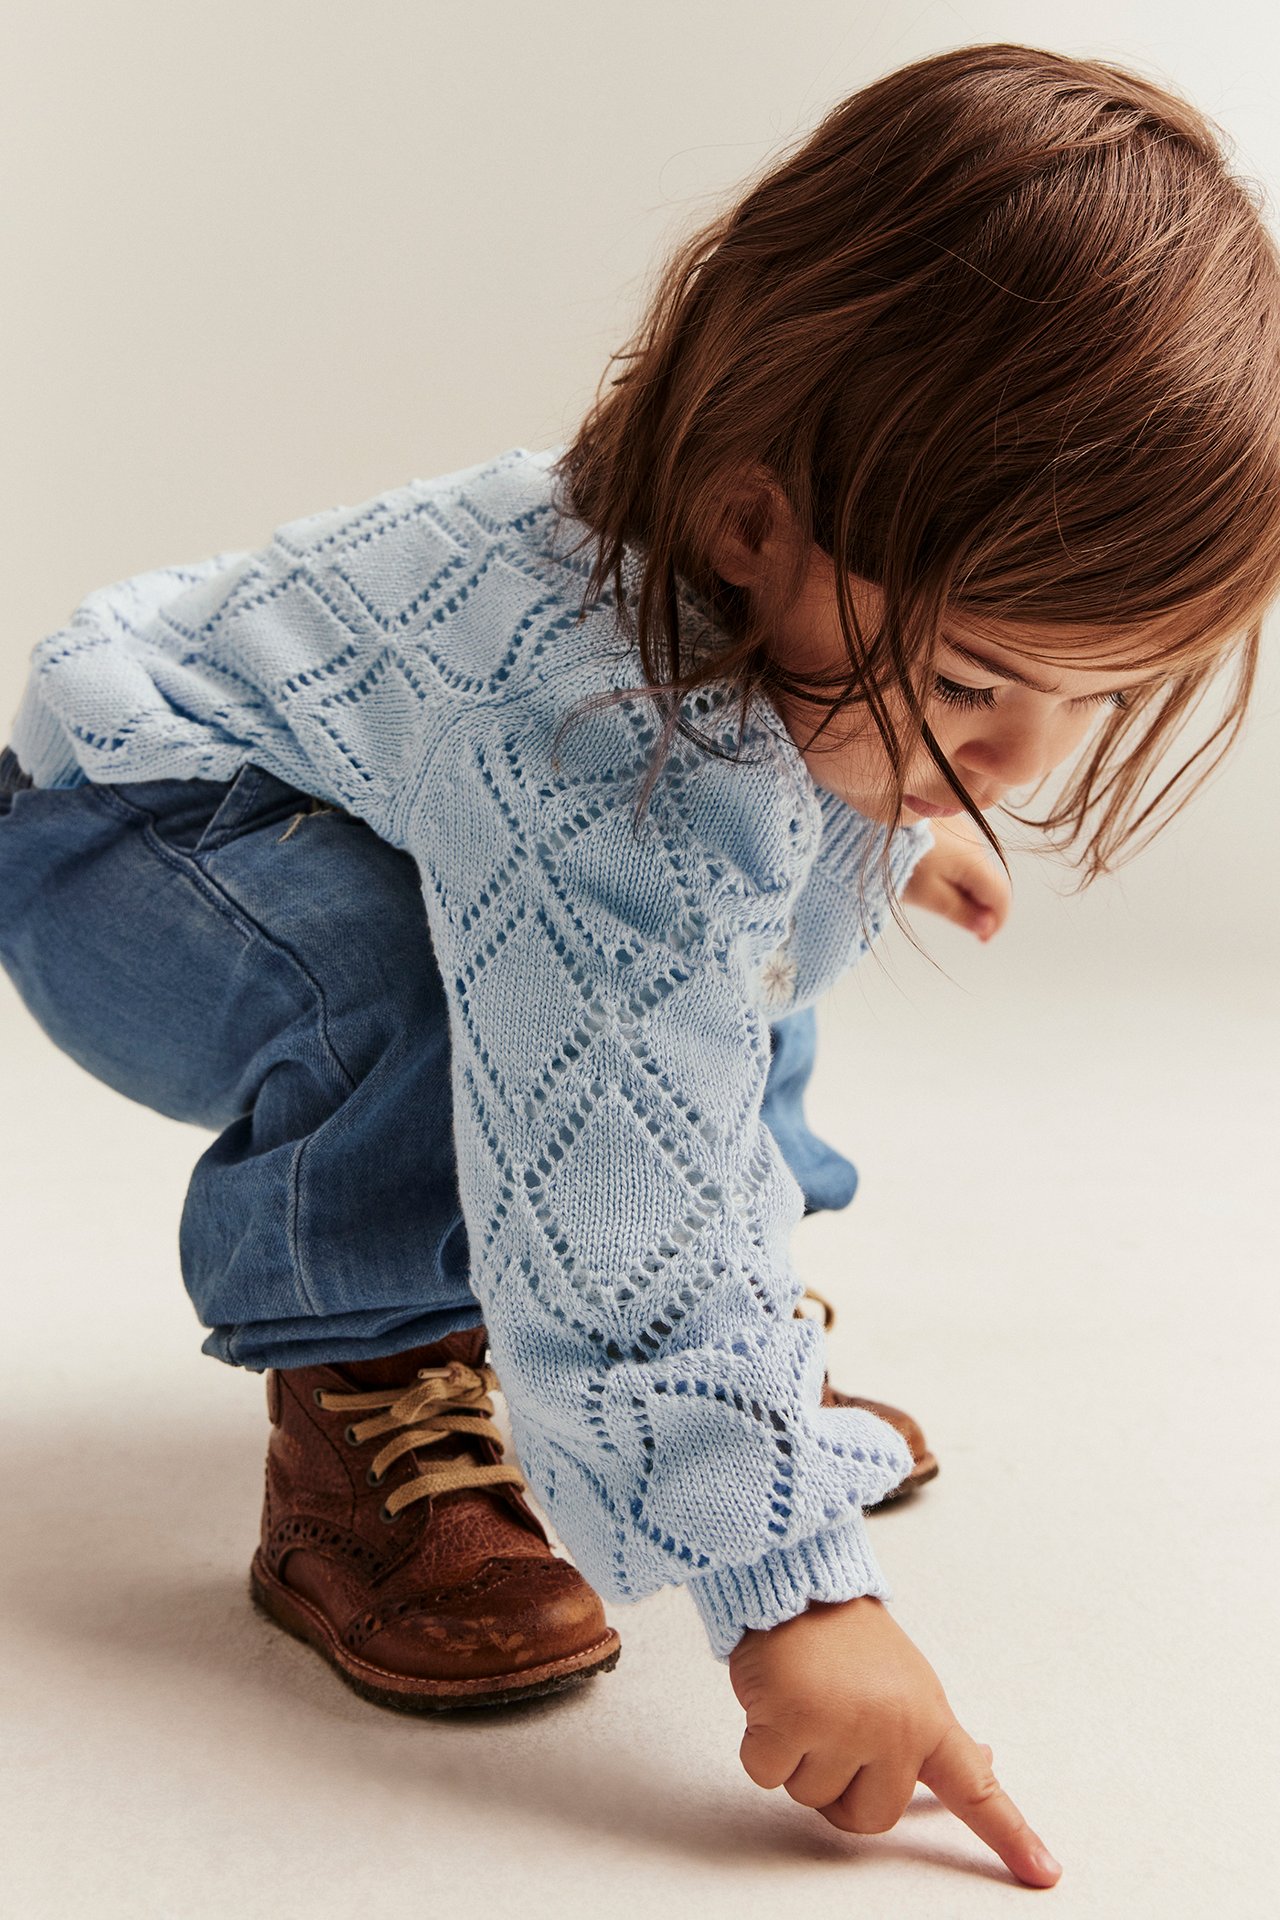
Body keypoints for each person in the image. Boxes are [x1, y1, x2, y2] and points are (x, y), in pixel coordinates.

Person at [4, 40, 1279, 1895]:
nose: (1021, 772)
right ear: (751, 521)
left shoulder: (738, 598)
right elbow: (612, 1153)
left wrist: (898, 826)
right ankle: (380, 1389)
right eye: (977, 685)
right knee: (446, 987)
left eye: (1079, 706)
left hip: (342, 764)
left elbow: (713, 929)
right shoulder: (605, 743)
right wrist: (790, 1585)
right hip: (131, 831)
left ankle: (727, 1347)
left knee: (728, 902)